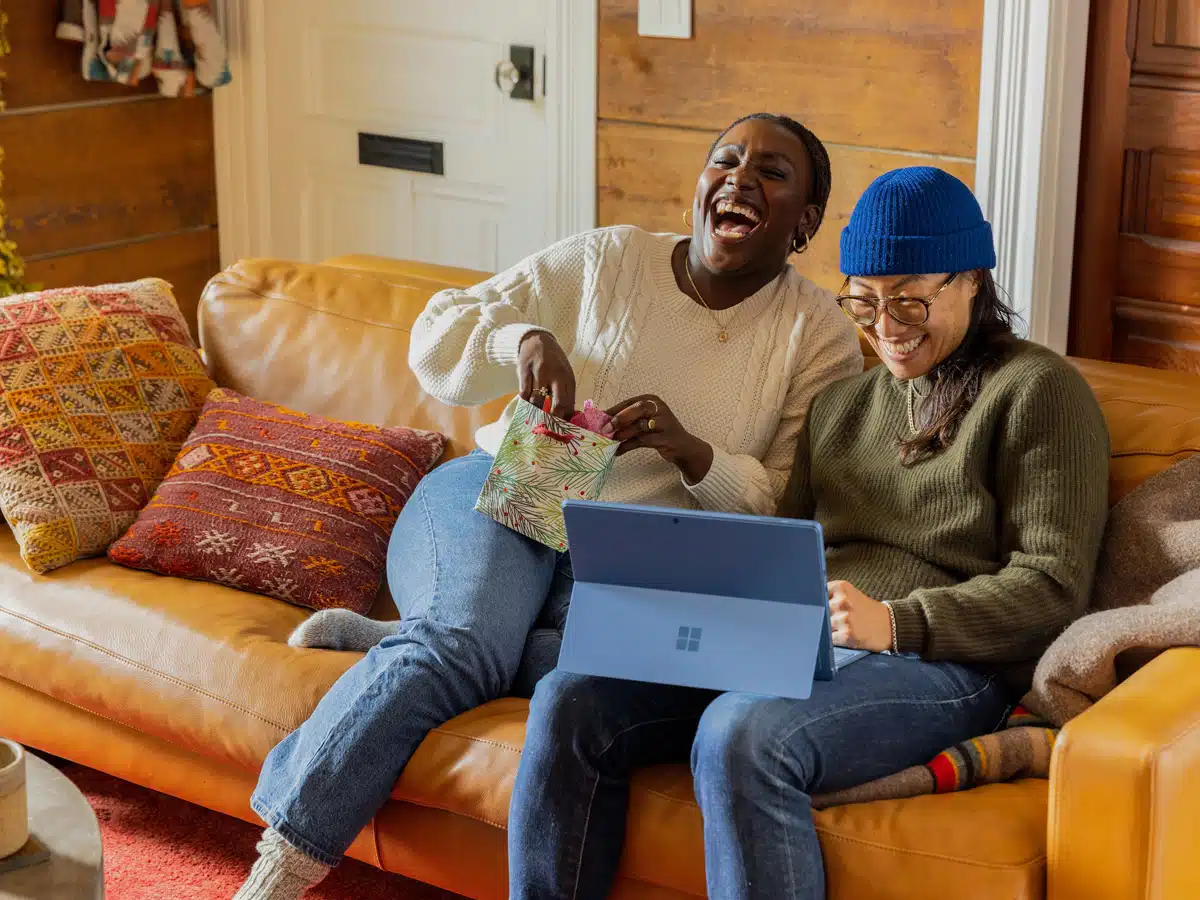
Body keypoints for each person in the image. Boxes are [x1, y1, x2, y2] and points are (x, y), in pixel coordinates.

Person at [232, 112, 863, 900]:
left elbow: (781, 503)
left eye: (772, 173)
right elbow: (436, 338)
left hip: (635, 555)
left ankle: (404, 637)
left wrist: (692, 452)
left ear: (804, 221)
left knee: (587, 672)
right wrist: (523, 341)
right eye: (726, 161)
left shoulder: (821, 337)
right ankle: (280, 868)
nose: (740, 178)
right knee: (464, 645)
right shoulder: (609, 259)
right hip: (505, 487)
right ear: (701, 185)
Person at [506, 167, 1112, 900]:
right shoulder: (841, 408)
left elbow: (1053, 586)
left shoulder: (1040, 391)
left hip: (945, 662)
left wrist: (898, 622)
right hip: (804, 642)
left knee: (743, 733)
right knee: (572, 695)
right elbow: (784, 551)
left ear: (972, 281)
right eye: (865, 302)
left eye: (911, 301)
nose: (886, 328)